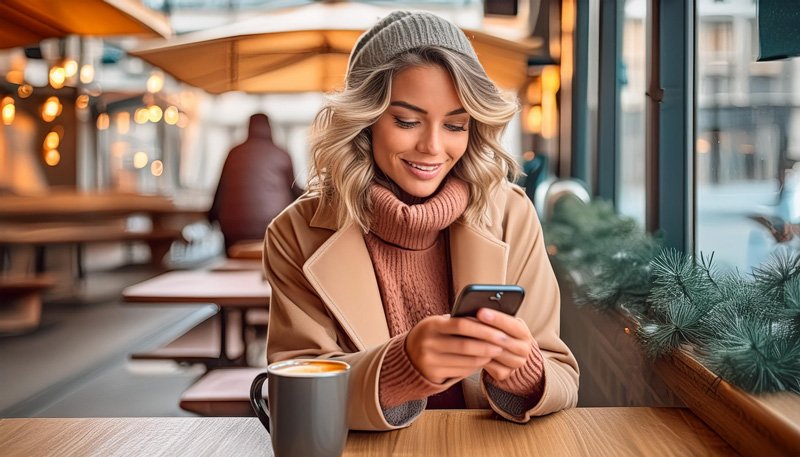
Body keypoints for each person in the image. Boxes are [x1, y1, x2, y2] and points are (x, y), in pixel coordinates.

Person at [264, 11, 579, 431]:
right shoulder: (295, 233)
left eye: (455, 125)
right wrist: (400, 369)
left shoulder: (511, 215)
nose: (433, 146)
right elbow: (294, 397)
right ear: (365, 120)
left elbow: (561, 376)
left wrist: (523, 372)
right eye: (407, 121)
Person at [209, 113, 303, 251]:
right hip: (273, 226)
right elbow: (295, 192)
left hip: (233, 229)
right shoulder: (281, 154)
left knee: (235, 258)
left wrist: (211, 218)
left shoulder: (233, 153)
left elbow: (220, 190)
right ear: (270, 129)